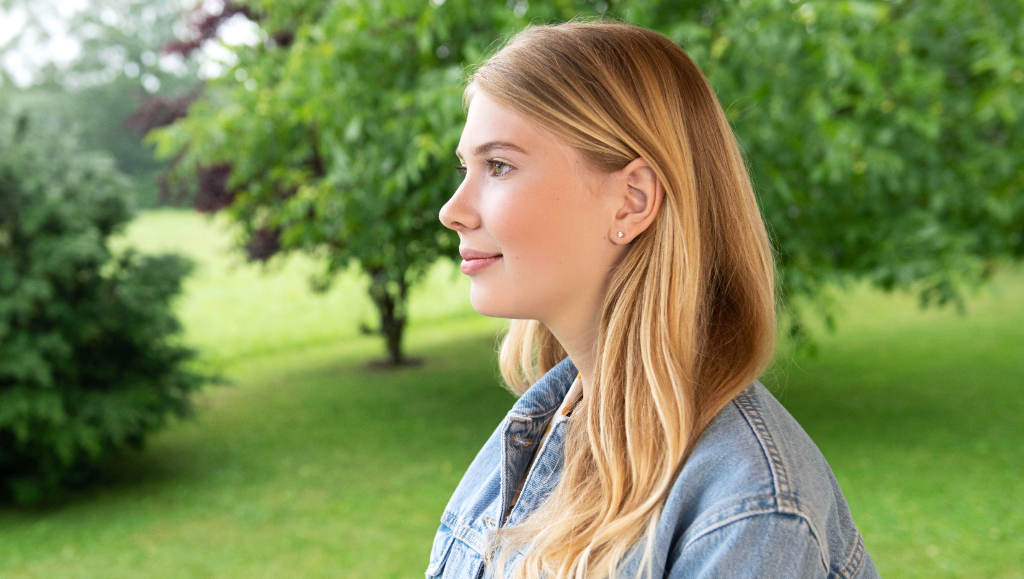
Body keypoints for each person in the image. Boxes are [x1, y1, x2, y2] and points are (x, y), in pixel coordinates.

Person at [431, 20, 880, 579]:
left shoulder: (749, 508)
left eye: (498, 166)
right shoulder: (548, 422)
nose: (453, 209)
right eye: (464, 167)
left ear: (632, 200)